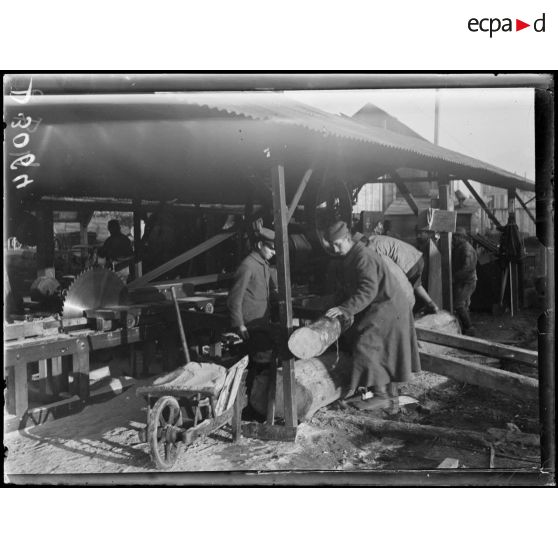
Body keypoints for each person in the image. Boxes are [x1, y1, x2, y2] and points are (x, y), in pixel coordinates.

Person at [325, 221, 421, 411]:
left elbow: (368, 289)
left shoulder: (363, 257)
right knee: (389, 350)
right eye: (332, 245)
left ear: (347, 239)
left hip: (387, 307)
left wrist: (346, 309)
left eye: (338, 244)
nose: (336, 249)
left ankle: (381, 396)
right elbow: (351, 286)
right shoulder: (352, 256)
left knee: (367, 344)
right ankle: (390, 397)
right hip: (387, 305)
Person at [227, 226, 278, 358]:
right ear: (260, 244)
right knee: (258, 362)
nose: (274, 252)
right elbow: (234, 298)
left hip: (261, 322)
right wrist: (239, 324)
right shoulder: (248, 265)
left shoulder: (263, 264)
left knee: (263, 361)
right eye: (271, 248)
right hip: (251, 326)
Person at [359, 232, 439, 314]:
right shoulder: (374, 238)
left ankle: (429, 306)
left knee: (410, 287)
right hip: (415, 256)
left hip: (410, 262)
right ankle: (430, 304)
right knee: (416, 285)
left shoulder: (372, 248)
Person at [452, 226, 478, 336]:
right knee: (464, 304)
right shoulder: (459, 247)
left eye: (455, 237)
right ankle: (464, 329)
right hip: (462, 280)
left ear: (461, 237)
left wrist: (454, 277)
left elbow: (467, 268)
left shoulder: (466, 249)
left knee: (458, 304)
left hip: (467, 281)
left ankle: (469, 328)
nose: (453, 239)